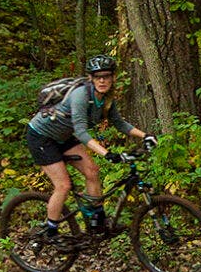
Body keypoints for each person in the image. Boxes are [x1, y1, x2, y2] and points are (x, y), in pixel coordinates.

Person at [24, 54, 152, 249]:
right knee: (63, 185)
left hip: (63, 137)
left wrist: (145, 136)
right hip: (41, 137)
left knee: (92, 171)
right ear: (91, 78)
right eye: (98, 76)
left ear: (112, 78)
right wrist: (107, 153)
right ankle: (50, 231)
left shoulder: (106, 98)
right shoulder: (80, 96)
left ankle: (96, 222)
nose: (102, 80)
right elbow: (81, 132)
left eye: (106, 76)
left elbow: (118, 122)